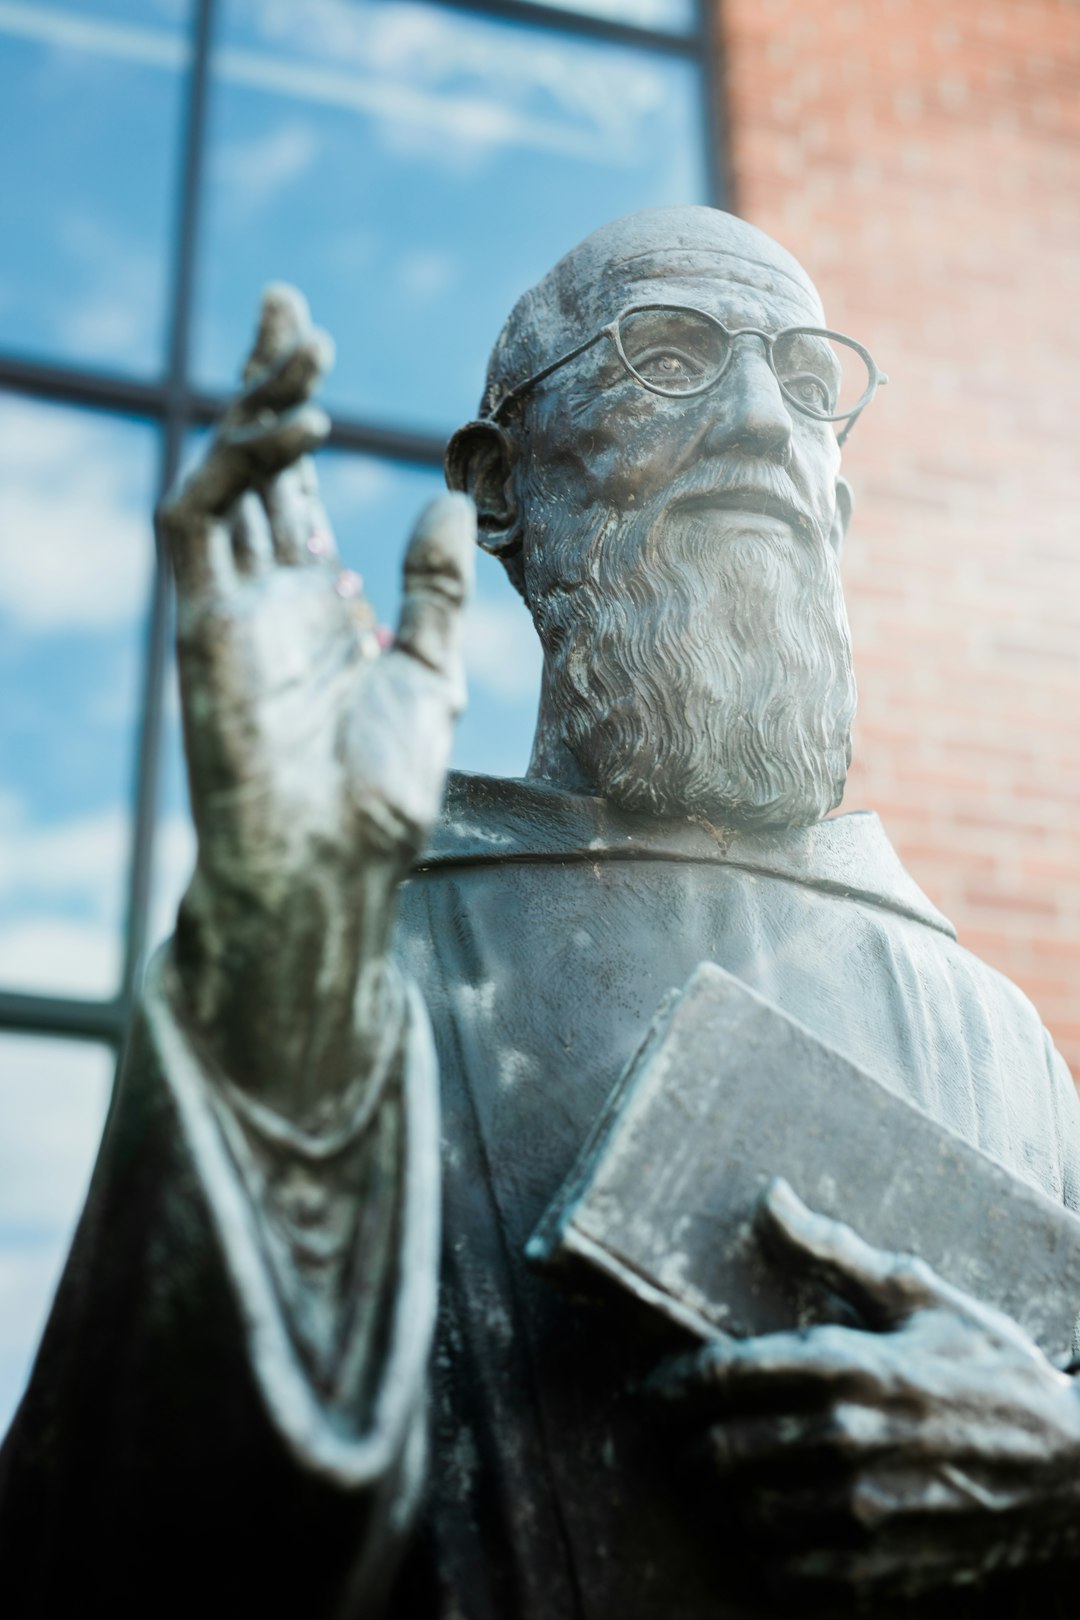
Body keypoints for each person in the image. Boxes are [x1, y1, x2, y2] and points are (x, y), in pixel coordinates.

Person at [3, 206, 1080, 1618]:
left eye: (807, 381)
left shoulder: (996, 1034)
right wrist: (277, 972)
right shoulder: (330, 949)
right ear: (498, 484)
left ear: (840, 494)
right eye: (671, 355)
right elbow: (114, 1557)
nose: (761, 416)